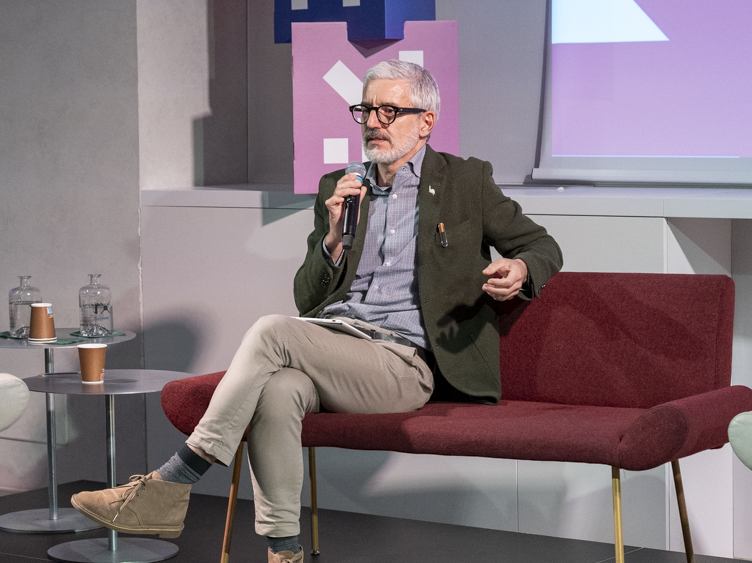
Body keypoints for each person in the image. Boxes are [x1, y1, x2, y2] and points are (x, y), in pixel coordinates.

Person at [70, 60, 563, 563]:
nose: (373, 122)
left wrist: (521, 268)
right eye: (366, 110)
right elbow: (308, 299)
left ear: (426, 121)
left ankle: (174, 481)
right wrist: (332, 239)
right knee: (279, 391)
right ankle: (284, 551)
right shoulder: (340, 187)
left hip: (404, 363)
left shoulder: (465, 182)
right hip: (337, 343)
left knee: (271, 331)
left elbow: (542, 246)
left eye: (389, 111)